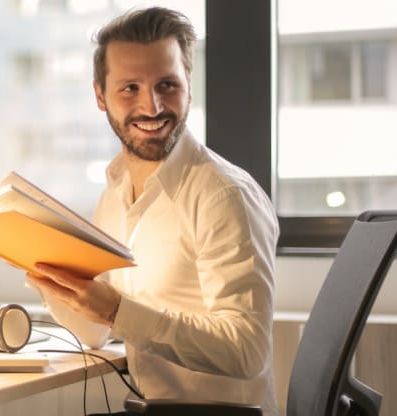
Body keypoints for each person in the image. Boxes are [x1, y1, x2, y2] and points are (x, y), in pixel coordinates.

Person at [26, 6, 279, 415]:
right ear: (99, 95)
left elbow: (246, 351)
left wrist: (115, 309)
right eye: (130, 88)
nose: (153, 106)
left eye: (167, 84)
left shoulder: (223, 195)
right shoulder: (115, 190)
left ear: (188, 86)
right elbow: (94, 334)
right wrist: (51, 278)